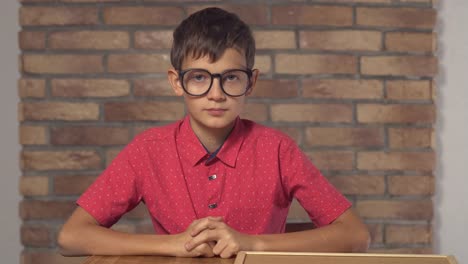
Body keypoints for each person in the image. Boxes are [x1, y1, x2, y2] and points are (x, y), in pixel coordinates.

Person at [57, 7, 370, 259]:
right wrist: (173, 244)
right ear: (177, 82)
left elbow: (356, 236)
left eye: (231, 78)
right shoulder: (148, 150)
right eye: (199, 78)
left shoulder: (277, 149)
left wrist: (252, 244)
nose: (216, 94)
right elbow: (71, 237)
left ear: (251, 81)